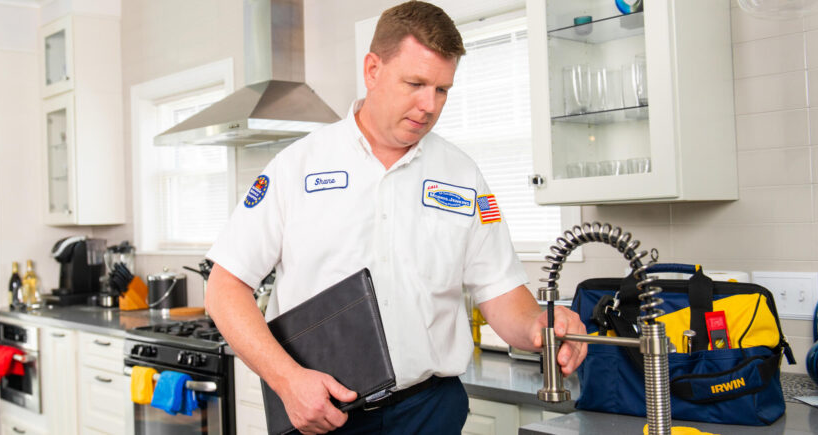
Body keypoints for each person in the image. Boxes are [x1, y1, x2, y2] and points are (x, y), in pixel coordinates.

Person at [205, 2, 587, 433]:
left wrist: (541, 326)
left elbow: (499, 289)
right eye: (416, 83)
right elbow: (224, 287)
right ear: (372, 69)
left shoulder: (463, 176)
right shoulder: (296, 166)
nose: (429, 105)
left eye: (442, 89)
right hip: (323, 411)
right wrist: (287, 379)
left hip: (428, 411)